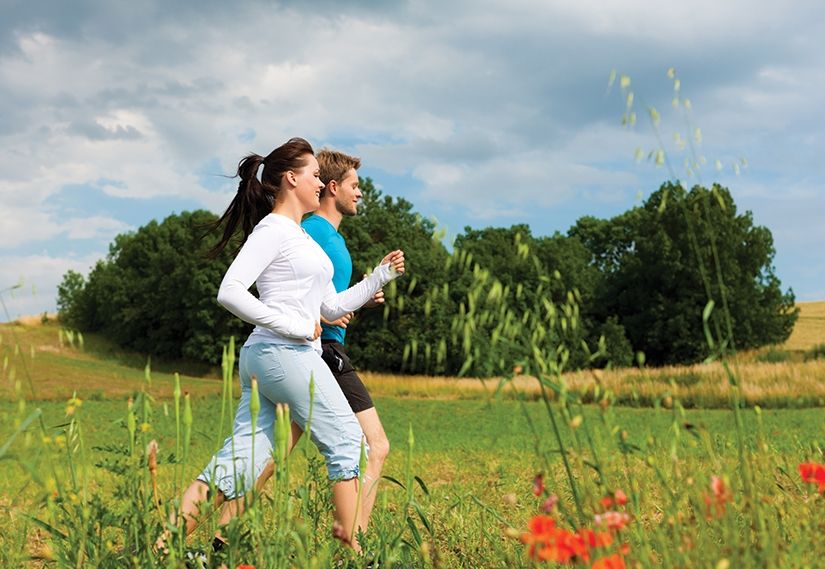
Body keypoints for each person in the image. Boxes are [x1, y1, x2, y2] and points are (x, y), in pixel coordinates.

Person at [161, 137, 405, 553]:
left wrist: (378, 278)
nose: (320, 183)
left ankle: (158, 549)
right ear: (291, 179)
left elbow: (329, 307)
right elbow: (230, 291)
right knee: (348, 441)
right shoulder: (272, 229)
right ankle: (354, 555)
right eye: (315, 175)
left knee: (242, 461)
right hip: (283, 353)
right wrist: (292, 325)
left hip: (277, 357)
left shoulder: (300, 237)